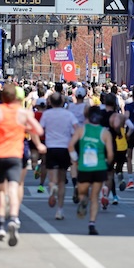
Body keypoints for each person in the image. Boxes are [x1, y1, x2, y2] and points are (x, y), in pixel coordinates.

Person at [0, 84, 45, 246]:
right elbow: (39, 130)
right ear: (17, 97)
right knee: (14, 188)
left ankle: (0, 225)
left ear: (2, 97)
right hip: (15, 154)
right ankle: (14, 218)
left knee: (0, 191)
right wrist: (25, 127)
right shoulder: (23, 112)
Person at [68, 106, 114, 235]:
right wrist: (107, 163)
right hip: (99, 167)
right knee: (95, 197)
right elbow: (110, 154)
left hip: (84, 167)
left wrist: (75, 159)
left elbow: (70, 146)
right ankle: (92, 223)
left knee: (82, 192)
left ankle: (83, 201)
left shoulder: (81, 130)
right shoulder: (105, 133)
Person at [39, 92, 78, 220]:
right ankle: (59, 210)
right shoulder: (69, 115)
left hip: (51, 147)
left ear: (50, 102)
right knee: (62, 180)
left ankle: (52, 187)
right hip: (64, 148)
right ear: (62, 102)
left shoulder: (46, 114)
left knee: (52, 178)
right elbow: (77, 129)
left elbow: (40, 130)